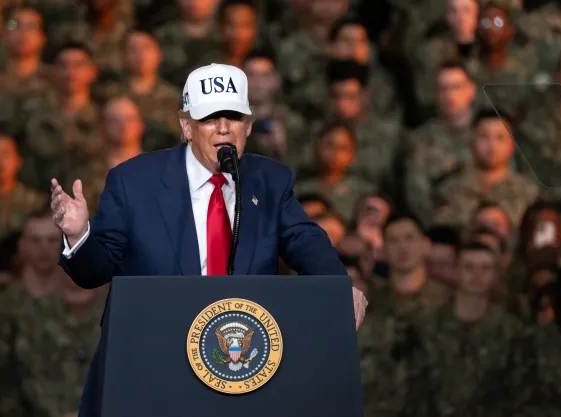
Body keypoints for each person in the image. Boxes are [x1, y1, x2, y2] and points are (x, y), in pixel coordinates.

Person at [50, 63, 368, 417]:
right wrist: (78, 234)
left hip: (241, 372)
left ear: (248, 126)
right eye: (209, 118)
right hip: (153, 368)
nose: (223, 128)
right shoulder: (134, 182)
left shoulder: (269, 180)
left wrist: (337, 287)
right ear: (186, 126)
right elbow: (94, 270)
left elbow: (304, 239)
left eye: (234, 117)